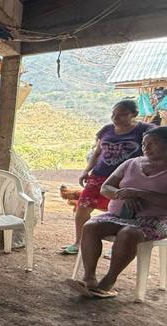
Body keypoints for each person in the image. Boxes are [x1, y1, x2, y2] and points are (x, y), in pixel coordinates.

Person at [69, 127, 167, 298]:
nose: (147, 148)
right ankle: (89, 279)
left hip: (156, 219)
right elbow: (106, 187)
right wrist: (122, 194)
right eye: (144, 144)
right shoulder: (131, 163)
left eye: (153, 143)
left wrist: (139, 193)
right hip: (118, 215)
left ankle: (108, 282)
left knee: (129, 233)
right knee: (90, 227)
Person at [61, 100, 156, 255]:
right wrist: (86, 170)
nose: (115, 118)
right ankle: (79, 243)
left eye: (122, 115)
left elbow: (155, 147)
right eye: (113, 114)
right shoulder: (107, 129)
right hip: (99, 175)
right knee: (82, 207)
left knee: (123, 212)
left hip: (126, 178)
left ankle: (118, 247)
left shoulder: (145, 130)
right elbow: (97, 153)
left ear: (134, 114)